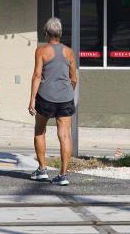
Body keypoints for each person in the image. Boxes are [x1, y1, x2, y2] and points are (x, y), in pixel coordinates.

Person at [29, 16, 78, 186]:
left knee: (39, 131)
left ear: (46, 33)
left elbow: (36, 75)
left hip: (45, 97)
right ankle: (63, 175)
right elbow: (74, 78)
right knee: (64, 134)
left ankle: (42, 170)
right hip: (66, 98)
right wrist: (67, 93)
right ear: (60, 34)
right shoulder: (69, 52)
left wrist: (32, 100)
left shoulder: (41, 51)